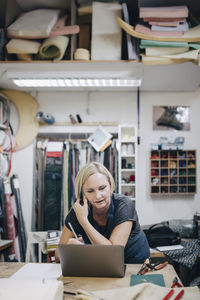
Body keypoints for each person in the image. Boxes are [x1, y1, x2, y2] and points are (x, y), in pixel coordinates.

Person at [55, 161, 150, 263]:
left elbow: (113, 253)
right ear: (82, 194)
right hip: (103, 267)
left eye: (102, 188)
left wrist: (83, 221)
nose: (98, 196)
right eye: (90, 191)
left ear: (110, 185)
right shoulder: (79, 211)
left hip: (136, 267)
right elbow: (57, 255)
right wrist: (74, 249)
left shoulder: (124, 205)